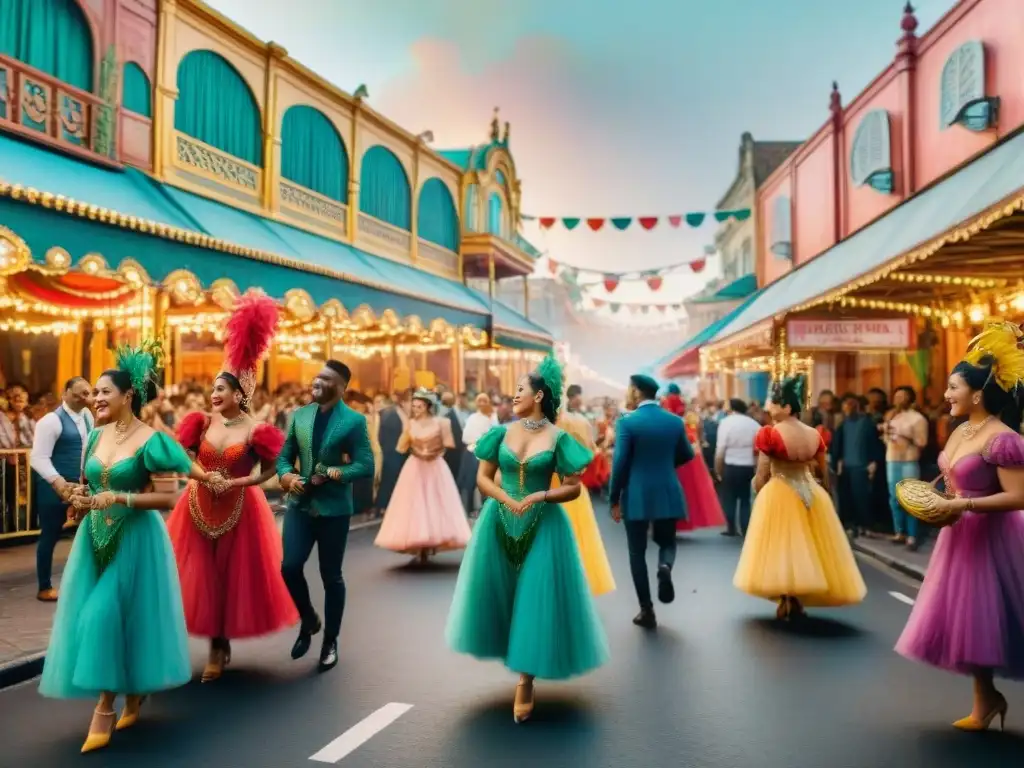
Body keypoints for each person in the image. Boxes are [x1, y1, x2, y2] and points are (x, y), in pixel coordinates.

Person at [38, 341, 219, 753]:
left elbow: (168, 498)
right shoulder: (94, 435)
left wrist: (121, 499)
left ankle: (104, 707)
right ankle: (134, 691)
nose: (96, 398)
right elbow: (90, 485)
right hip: (93, 540)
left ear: (128, 396)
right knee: (104, 617)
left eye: (104, 392)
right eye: (94, 392)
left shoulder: (151, 441)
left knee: (103, 615)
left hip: (136, 538)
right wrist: (79, 500)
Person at [445, 356, 608, 723]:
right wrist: (504, 498)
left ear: (538, 395)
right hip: (497, 522)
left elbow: (573, 487)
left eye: (520, 389)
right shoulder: (500, 432)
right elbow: (483, 478)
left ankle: (525, 680)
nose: (514, 395)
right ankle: (513, 654)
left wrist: (540, 496)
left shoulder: (559, 438)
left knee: (535, 596)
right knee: (502, 595)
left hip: (544, 526)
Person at [895, 322, 1024, 731]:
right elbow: (952, 481)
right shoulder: (961, 430)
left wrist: (965, 504)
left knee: (1001, 620)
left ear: (978, 393)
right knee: (972, 626)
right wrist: (941, 503)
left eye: (953, 387)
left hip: (994, 538)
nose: (947, 395)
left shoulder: (1003, 440)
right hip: (958, 536)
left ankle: (987, 701)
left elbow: (1020, 497)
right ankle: (985, 701)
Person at [166, 293, 297, 682]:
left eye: (221, 389)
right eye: (212, 388)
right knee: (200, 578)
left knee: (229, 579)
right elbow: (182, 460)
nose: (214, 393)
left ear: (240, 394)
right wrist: (202, 477)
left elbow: (271, 471)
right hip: (196, 508)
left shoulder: (258, 431)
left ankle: (221, 646)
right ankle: (212, 645)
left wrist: (240, 481)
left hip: (241, 510)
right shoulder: (198, 423)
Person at [733, 373, 867, 620]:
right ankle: (797, 600)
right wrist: (823, 497)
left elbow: (762, 473)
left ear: (786, 407)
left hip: (779, 489)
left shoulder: (769, 433)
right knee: (810, 546)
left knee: (781, 545)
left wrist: (759, 493)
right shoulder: (814, 434)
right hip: (810, 491)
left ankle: (786, 597)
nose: (768, 408)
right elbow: (823, 474)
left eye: (772, 403)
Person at [277, 361, 374, 672]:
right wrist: (287, 477)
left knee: (331, 576)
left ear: (341, 387)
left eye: (325, 378)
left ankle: (330, 640)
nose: (316, 381)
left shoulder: (354, 421)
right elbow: (282, 457)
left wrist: (334, 473)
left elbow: (365, 464)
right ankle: (309, 618)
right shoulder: (299, 415)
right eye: (317, 376)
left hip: (334, 510)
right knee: (290, 567)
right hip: (299, 505)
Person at [609, 374, 693, 629]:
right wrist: (666, 466)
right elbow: (687, 454)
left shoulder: (627, 423)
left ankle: (647, 610)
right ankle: (665, 566)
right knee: (667, 542)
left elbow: (620, 463)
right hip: (668, 489)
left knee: (637, 552)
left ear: (636, 392)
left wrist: (614, 497)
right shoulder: (675, 422)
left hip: (637, 494)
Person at [374, 389, 471, 562]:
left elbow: (449, 444)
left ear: (427, 406)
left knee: (436, 501)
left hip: (435, 465)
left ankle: (433, 540)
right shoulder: (410, 424)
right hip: (415, 465)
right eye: (414, 406)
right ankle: (418, 542)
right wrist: (414, 447)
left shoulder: (441, 423)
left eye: (419, 406)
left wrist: (435, 451)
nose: (416, 409)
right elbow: (401, 447)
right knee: (415, 502)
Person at [29, 376, 94, 601]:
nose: (83, 398)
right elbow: (38, 458)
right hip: (53, 485)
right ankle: (44, 586)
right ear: (64, 394)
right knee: (50, 534)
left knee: (88, 533)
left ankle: (83, 584)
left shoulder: (87, 416)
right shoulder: (50, 420)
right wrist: (57, 482)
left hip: (79, 485)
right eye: (77, 394)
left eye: (86, 393)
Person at [555, 407, 615, 595]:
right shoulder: (579, 422)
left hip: (547, 489)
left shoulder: (536, 424)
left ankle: (556, 588)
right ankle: (575, 589)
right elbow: (592, 454)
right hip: (574, 491)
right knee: (579, 541)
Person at [662, 396, 726, 534]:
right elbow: (696, 439)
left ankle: (671, 523)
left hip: (671, 462)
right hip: (686, 461)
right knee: (685, 493)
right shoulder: (687, 420)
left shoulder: (669, 422)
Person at [832, 393, 885, 537]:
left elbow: (875, 444)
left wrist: (873, 462)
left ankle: (865, 525)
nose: (847, 410)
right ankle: (851, 525)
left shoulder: (867, 423)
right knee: (847, 498)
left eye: (850, 406)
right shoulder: (843, 425)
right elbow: (837, 447)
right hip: (846, 467)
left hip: (861, 466)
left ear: (856, 407)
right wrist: (836, 463)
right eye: (845, 407)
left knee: (862, 498)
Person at [885, 385, 929, 551]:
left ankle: (912, 535)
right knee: (894, 498)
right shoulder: (892, 416)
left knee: (910, 498)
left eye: (902, 396)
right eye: (896, 396)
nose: (898, 400)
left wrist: (903, 435)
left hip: (909, 461)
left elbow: (922, 442)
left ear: (910, 399)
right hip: (892, 459)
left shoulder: (918, 419)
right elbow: (886, 438)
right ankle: (899, 532)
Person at [715, 399, 760, 536]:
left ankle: (731, 528)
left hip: (731, 465)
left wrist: (718, 469)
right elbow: (758, 449)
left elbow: (720, 449)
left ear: (731, 408)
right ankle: (745, 528)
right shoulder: (754, 424)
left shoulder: (726, 423)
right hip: (748, 465)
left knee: (729, 498)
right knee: (745, 499)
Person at [457, 393, 496, 516]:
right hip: (471, 452)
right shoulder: (472, 417)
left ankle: (485, 510)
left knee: (485, 482)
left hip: (486, 454)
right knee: (469, 482)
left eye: (485, 401)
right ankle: (468, 509)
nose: (482, 404)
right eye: (479, 401)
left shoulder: (493, 418)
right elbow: (466, 436)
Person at [376, 389, 410, 511]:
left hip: (400, 453)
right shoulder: (391, 414)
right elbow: (384, 437)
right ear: (404, 402)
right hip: (392, 453)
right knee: (388, 480)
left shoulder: (403, 414)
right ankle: (382, 506)